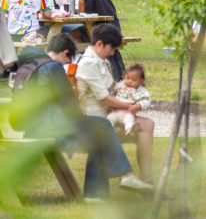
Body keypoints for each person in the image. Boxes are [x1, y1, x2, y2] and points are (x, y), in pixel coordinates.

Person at [16, 34, 154, 200]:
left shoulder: (30, 64)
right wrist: (82, 116)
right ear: (65, 52)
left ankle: (100, 193)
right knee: (102, 128)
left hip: (34, 124)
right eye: (67, 61)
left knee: (100, 134)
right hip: (50, 125)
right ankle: (124, 177)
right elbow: (69, 101)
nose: (65, 65)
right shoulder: (53, 67)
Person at [76, 24, 155, 186]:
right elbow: (104, 98)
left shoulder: (100, 61)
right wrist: (132, 106)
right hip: (96, 121)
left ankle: (147, 180)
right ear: (99, 44)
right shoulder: (89, 64)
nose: (112, 53)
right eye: (111, 49)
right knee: (141, 126)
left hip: (109, 115)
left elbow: (113, 89)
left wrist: (133, 88)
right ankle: (131, 178)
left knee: (148, 124)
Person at [72, 0, 126, 79]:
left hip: (103, 30)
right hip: (112, 27)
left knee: (72, 36)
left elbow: (87, 16)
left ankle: (81, 69)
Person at [106, 65, 152, 135]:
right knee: (109, 118)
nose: (129, 81)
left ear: (141, 81)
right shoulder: (120, 86)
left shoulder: (140, 91)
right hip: (116, 111)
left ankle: (130, 130)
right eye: (127, 78)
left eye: (134, 80)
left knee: (128, 121)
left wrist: (138, 106)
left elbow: (146, 101)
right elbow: (112, 91)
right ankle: (108, 131)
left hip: (128, 112)